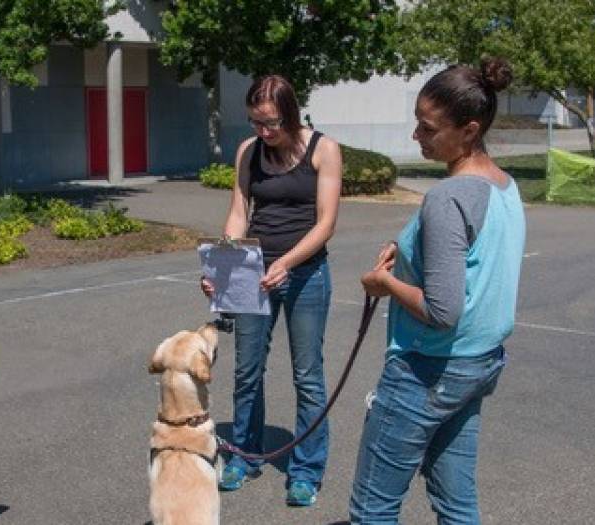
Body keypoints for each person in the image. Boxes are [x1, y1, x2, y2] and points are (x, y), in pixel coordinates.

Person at [347, 58, 526, 524]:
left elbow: (443, 310)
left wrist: (383, 283)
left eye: (427, 128)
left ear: (468, 131)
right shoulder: (505, 187)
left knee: (373, 508)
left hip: (427, 370)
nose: (416, 137)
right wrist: (408, 254)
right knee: (456, 503)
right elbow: (475, 260)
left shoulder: (447, 198)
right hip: (478, 364)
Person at [199, 74, 343, 507]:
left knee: (308, 377)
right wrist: (222, 267)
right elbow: (239, 213)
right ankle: (244, 456)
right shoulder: (249, 152)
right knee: (246, 372)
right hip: (252, 272)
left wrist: (287, 262)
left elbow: (326, 223)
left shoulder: (325, 149)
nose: (262, 132)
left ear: (291, 113)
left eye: (270, 123)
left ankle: (306, 470)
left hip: (305, 275)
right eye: (254, 122)